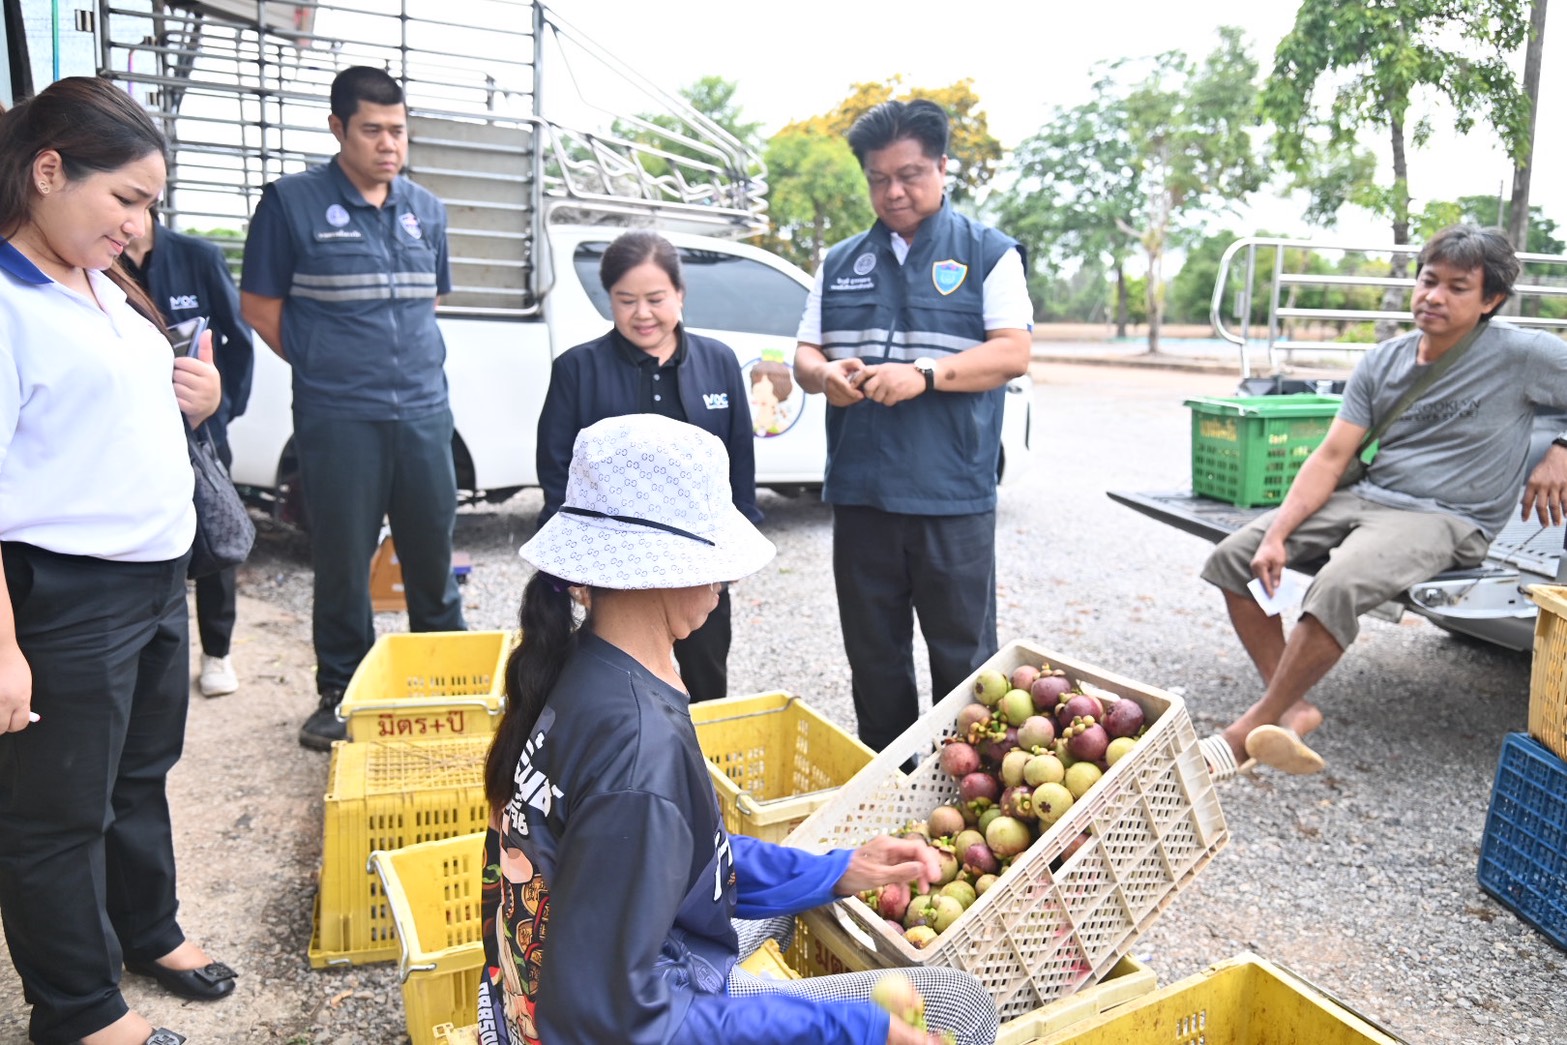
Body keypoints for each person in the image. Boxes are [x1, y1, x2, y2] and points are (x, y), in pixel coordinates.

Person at [479, 413, 998, 1045]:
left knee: (787, 913)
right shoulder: (640, 754)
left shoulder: (578, 665)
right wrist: (853, 1027)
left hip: (535, 993)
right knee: (959, 1005)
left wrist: (836, 871)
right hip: (606, 1019)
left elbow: (688, 861)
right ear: (665, 568)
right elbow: (626, 1022)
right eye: (716, 561)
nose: (725, 582)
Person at [0, 76, 236, 1045]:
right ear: (48, 170)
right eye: (125, 198)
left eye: (150, 204)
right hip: (67, 590)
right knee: (57, 810)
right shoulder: (8, 303)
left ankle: (148, 928)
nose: (139, 225)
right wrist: (5, 648)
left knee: (140, 774)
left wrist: (201, 397)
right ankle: (78, 1008)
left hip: (154, 576)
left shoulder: (103, 284)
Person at [1197, 224, 1567, 780]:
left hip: (1447, 516)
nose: (1434, 297)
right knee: (1234, 558)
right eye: (1428, 281)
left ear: (1490, 300)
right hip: (1371, 495)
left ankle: (1248, 729)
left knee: (1338, 584)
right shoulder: (1383, 361)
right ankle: (1291, 707)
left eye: (1457, 288)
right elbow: (1331, 457)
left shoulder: (1522, 355)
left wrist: (1561, 448)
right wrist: (1276, 533)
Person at [792, 100, 1033, 753]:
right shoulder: (841, 261)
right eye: (878, 178)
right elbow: (804, 355)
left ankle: (970, 782)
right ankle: (890, 782)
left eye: (910, 174)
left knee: (966, 662)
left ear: (942, 167)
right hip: (861, 495)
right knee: (874, 661)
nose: (893, 191)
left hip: (950, 497)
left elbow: (1012, 353)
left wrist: (925, 374)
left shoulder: (988, 253)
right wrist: (823, 376)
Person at [240, 65, 466, 750]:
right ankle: (341, 693)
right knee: (342, 563)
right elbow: (260, 306)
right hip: (338, 417)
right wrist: (325, 365)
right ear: (337, 127)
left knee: (433, 560)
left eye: (398, 130)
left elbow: (430, 299)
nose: (388, 144)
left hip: (423, 412)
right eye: (372, 130)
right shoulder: (291, 203)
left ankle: (445, 690)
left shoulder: (426, 210)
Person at [534, 230, 757, 704]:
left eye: (656, 299)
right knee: (617, 683)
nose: (642, 313)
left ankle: (701, 749)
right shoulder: (577, 368)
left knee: (705, 677)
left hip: (699, 562)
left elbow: (738, 459)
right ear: (609, 299)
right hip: (613, 567)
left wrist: (733, 553)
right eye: (626, 300)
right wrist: (572, 570)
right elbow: (557, 471)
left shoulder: (718, 361)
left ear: (680, 294)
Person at [122, 207, 255, 698]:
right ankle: (151, 651)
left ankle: (217, 652)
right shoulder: (96, 261)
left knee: (215, 537)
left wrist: (221, 410)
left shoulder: (197, 256)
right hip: (131, 434)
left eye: (134, 198)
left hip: (201, 431)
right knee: (153, 543)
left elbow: (238, 341)